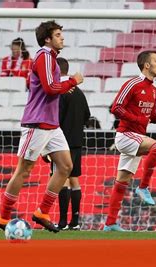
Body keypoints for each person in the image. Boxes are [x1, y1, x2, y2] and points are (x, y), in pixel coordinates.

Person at [0, 20, 84, 233]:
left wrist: (64, 86)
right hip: (37, 123)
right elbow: (51, 88)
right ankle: (3, 216)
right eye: (58, 35)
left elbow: (53, 88)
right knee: (24, 170)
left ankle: (42, 212)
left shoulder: (51, 59)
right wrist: (72, 81)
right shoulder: (43, 56)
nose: (62, 38)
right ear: (47, 38)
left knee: (65, 166)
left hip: (52, 124)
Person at [104, 50, 156, 232]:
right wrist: (136, 119)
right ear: (147, 65)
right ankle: (143, 187)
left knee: (121, 183)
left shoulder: (154, 90)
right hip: (125, 135)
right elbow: (115, 108)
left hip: (136, 138)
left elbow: (150, 118)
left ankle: (110, 223)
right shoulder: (133, 84)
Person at [45, 57, 90, 231]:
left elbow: (53, 117)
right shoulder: (79, 92)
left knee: (61, 178)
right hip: (77, 141)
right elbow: (87, 115)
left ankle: (62, 222)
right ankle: (75, 221)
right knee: (74, 179)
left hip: (60, 143)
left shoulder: (60, 92)